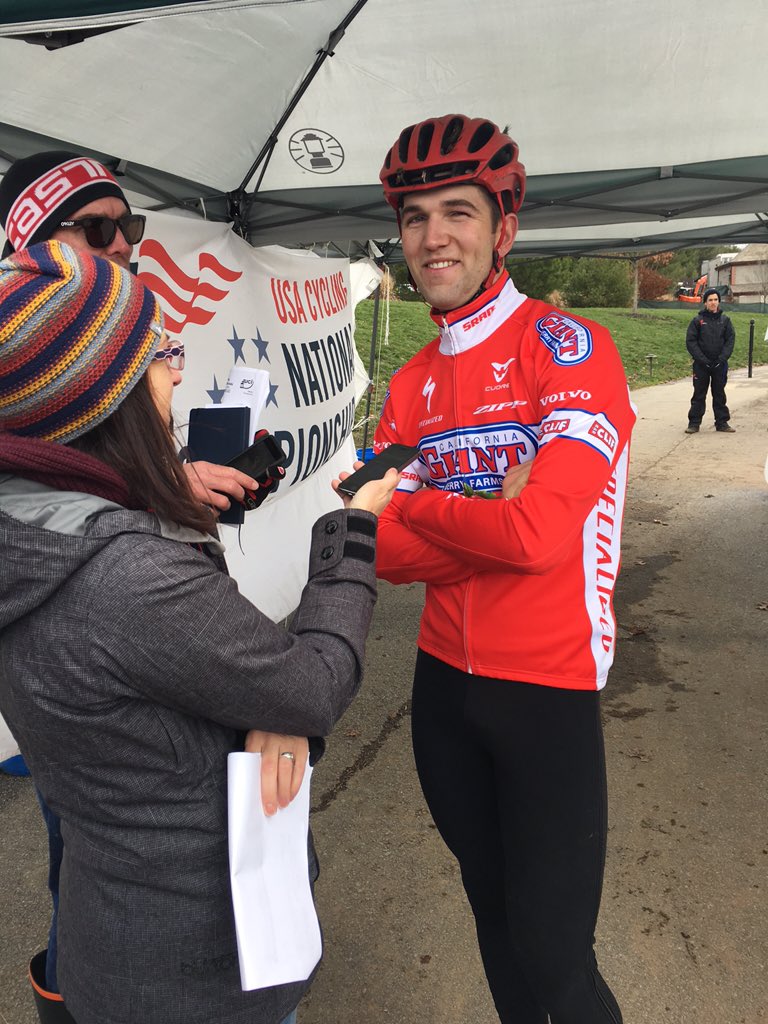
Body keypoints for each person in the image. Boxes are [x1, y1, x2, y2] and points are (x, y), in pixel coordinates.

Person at [0, 240, 398, 1024]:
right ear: (101, 398)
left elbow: (179, 680)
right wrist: (352, 529)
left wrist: (164, 492)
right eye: (158, 355)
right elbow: (312, 686)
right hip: (199, 975)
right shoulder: (129, 578)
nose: (177, 372)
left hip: (110, 943)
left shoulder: (34, 536)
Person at [374, 114, 636, 1023]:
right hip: (442, 689)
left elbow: (537, 538)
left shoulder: (568, 349)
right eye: (415, 217)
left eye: (458, 211)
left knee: (556, 954)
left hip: (547, 689)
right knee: (492, 915)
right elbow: (381, 552)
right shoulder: (410, 382)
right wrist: (489, 506)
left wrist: (416, 504)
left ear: (504, 230)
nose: (433, 236)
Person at [0, 151, 269, 1004]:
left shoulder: (100, 334)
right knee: (89, 863)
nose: (123, 244)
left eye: (131, 225)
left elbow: (83, 466)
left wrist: (168, 482)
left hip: (135, 671)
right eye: (95, 228)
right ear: (32, 247)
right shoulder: (23, 345)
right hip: (84, 693)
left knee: (96, 873)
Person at [684, 287, 736, 433]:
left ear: (719, 302)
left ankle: (722, 423)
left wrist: (722, 358)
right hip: (701, 365)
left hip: (720, 364)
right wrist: (702, 359)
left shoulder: (725, 321)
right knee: (699, 394)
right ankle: (694, 423)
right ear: (705, 302)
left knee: (719, 393)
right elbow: (691, 342)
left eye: (715, 300)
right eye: (710, 300)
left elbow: (730, 341)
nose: (713, 302)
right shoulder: (697, 321)